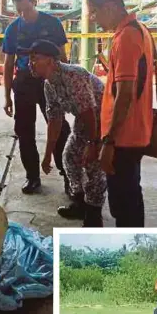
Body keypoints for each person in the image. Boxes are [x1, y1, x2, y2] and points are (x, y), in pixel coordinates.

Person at [84, 0, 154, 227]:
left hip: (123, 138)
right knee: (132, 197)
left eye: (94, 11)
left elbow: (124, 93)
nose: (93, 17)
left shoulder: (125, 38)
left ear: (111, 7)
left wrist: (109, 141)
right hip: (136, 133)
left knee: (122, 204)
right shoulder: (140, 30)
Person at [23, 39, 106, 227]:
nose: (31, 64)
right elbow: (55, 120)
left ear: (51, 61)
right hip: (84, 118)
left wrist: (93, 144)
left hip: (103, 118)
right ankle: (79, 202)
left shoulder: (73, 76)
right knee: (70, 157)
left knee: (93, 165)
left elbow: (89, 113)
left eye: (35, 59)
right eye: (30, 59)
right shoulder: (49, 84)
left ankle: (94, 213)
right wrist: (46, 157)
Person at [2, 0, 71, 195]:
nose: (23, 13)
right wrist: (7, 97)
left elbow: (63, 57)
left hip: (49, 80)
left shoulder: (52, 24)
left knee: (60, 129)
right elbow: (8, 63)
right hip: (23, 83)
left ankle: (68, 175)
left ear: (34, 1)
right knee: (24, 131)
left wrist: (65, 86)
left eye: (26, 7)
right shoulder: (13, 29)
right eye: (18, 9)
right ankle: (32, 177)